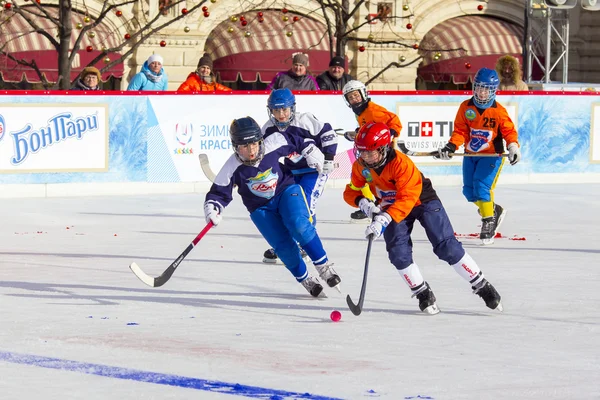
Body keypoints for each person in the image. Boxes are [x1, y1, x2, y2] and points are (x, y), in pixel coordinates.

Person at [343, 121, 503, 314]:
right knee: (398, 254)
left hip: (422, 201)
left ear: (384, 147)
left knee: (446, 246)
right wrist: (364, 203)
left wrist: (384, 219)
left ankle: (481, 285)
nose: (366, 157)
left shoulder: (401, 164)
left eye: (371, 152)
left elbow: (407, 198)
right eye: (362, 152)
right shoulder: (360, 167)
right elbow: (350, 191)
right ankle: (422, 293)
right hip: (391, 206)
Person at [203, 117, 341, 297]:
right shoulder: (231, 167)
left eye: (254, 144)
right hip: (260, 209)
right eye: (244, 146)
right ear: (235, 146)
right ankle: (305, 278)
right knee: (283, 247)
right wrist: (212, 209)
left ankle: (323, 267)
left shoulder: (274, 142)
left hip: (286, 191)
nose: (251, 151)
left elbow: (298, 141)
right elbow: (218, 193)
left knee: (298, 224)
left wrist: (311, 151)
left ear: (260, 140)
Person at [434, 67, 521, 245]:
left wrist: (513, 146)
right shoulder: (466, 107)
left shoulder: (498, 111)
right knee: (469, 192)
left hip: (491, 156)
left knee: (482, 188)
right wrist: (451, 145)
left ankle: (488, 221)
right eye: (479, 88)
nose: (481, 93)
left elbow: (509, 131)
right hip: (470, 155)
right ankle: (493, 210)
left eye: (486, 89)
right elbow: (460, 131)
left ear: (493, 90)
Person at [261, 88, 337, 263]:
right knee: (287, 208)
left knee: (306, 207)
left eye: (284, 109)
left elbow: (329, 134)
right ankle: (288, 245)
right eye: (276, 110)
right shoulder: (268, 129)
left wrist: (328, 158)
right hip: (290, 172)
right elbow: (261, 153)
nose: (281, 114)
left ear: (292, 108)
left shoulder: (304, 120)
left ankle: (305, 246)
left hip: (314, 171)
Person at [341, 80, 402, 221]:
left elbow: (395, 121)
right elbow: (369, 127)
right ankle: (370, 203)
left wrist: (390, 135)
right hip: (371, 151)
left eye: (356, 95)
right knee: (365, 175)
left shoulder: (373, 111)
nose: (354, 99)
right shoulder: (361, 113)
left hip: (381, 153)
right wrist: (356, 134)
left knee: (368, 175)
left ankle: (382, 204)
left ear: (363, 94)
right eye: (350, 97)